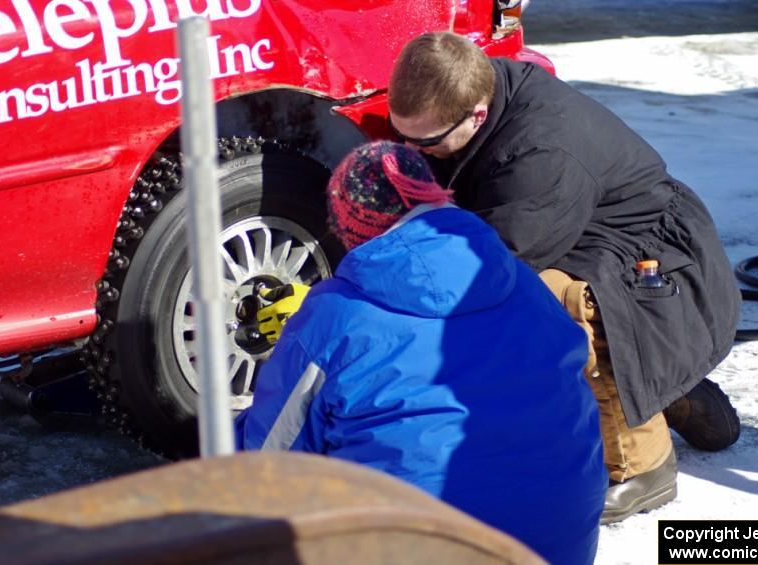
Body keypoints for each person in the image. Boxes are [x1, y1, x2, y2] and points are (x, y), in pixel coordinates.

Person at [387, 32, 742, 523]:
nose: (410, 149)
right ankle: (661, 385)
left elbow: (492, 269)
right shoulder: (478, 88)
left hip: (660, 267)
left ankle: (643, 469)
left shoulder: (539, 156)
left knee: (554, 303)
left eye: (425, 141)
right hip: (593, 235)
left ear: (477, 114)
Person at [236, 141, 607, 564]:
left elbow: (269, 465)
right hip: (558, 545)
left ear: (351, 227)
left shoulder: (331, 316)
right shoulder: (522, 283)